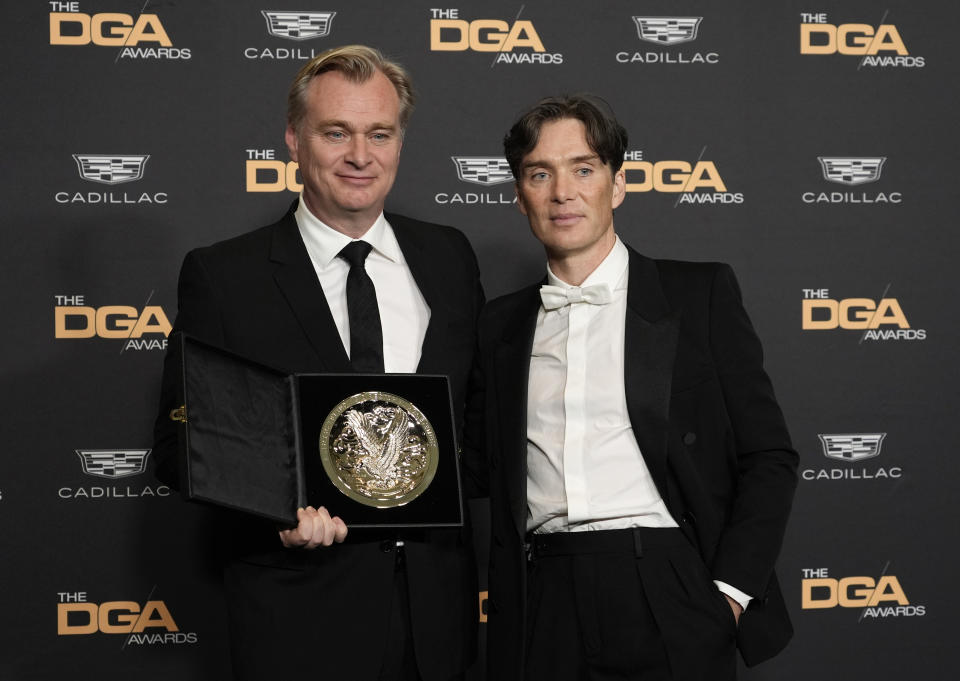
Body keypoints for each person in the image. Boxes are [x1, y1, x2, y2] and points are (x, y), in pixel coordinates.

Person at [153, 45, 482, 681]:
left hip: (436, 618)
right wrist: (276, 514)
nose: (361, 155)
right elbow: (180, 443)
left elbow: (478, 421)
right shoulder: (225, 276)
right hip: (299, 616)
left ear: (399, 142)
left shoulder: (448, 258)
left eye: (379, 133)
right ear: (293, 141)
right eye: (337, 133)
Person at [467, 95, 798, 680]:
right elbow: (474, 467)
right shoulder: (499, 325)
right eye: (540, 173)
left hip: (669, 586)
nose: (562, 191)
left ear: (618, 185)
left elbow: (768, 455)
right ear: (520, 196)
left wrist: (728, 593)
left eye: (584, 168)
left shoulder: (699, 296)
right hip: (543, 594)